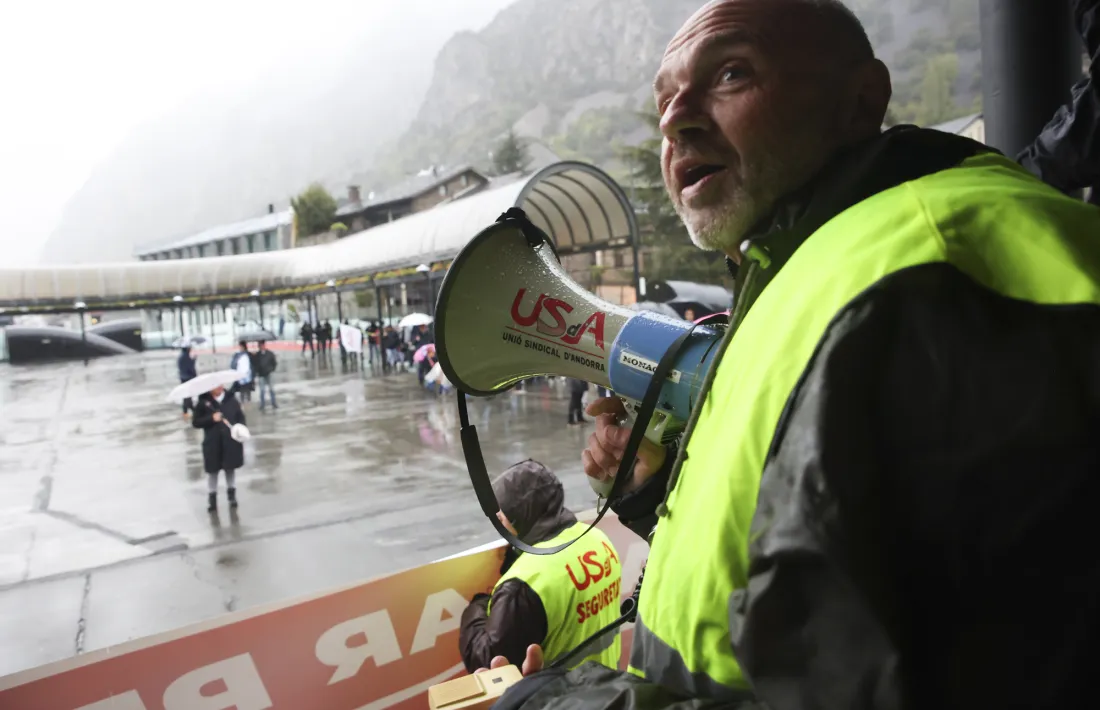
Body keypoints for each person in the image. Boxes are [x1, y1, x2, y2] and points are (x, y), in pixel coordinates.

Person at [490, 1, 1100, 708]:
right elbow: (816, 548)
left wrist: (548, 701)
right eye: (664, 100)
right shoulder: (813, 274)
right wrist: (651, 490)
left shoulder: (932, 278)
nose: (675, 119)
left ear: (861, 99)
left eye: (730, 73)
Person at [459, 460, 622, 673]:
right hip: (610, 685)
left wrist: (477, 606)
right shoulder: (596, 538)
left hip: (559, 700)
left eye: (502, 512)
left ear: (521, 515)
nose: (498, 518)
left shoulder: (524, 584)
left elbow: (486, 660)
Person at [192, 384, 245, 512]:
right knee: (213, 471)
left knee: (230, 469)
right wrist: (211, 418)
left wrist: (240, 430)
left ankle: (232, 496)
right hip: (212, 442)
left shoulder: (231, 400)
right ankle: (212, 499)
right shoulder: (203, 403)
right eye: (216, 386)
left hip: (229, 441)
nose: (220, 388)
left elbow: (240, 418)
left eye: (221, 385)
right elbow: (196, 422)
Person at [255, 340, 278, 411]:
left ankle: (274, 403)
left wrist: (271, 369)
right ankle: (262, 404)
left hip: (269, 373)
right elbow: (255, 364)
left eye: (262, 345)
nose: (261, 347)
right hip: (261, 374)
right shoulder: (257, 355)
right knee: (262, 390)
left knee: (271, 389)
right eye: (260, 345)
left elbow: (274, 363)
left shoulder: (270, 353)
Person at [177, 345, 198, 419]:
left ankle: (192, 410)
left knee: (187, 395)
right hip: (188, 378)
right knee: (187, 396)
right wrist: (194, 360)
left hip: (183, 377)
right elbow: (190, 367)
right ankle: (186, 411)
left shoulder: (181, 356)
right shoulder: (186, 357)